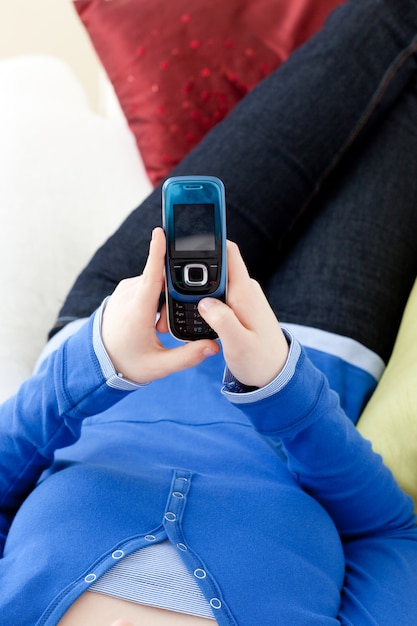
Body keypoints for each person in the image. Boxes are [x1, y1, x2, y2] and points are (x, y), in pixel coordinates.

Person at [1, 0, 417, 624]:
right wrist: (280, 386)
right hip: (312, 345)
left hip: (130, 319)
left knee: (376, 31)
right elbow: (392, 533)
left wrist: (101, 360)